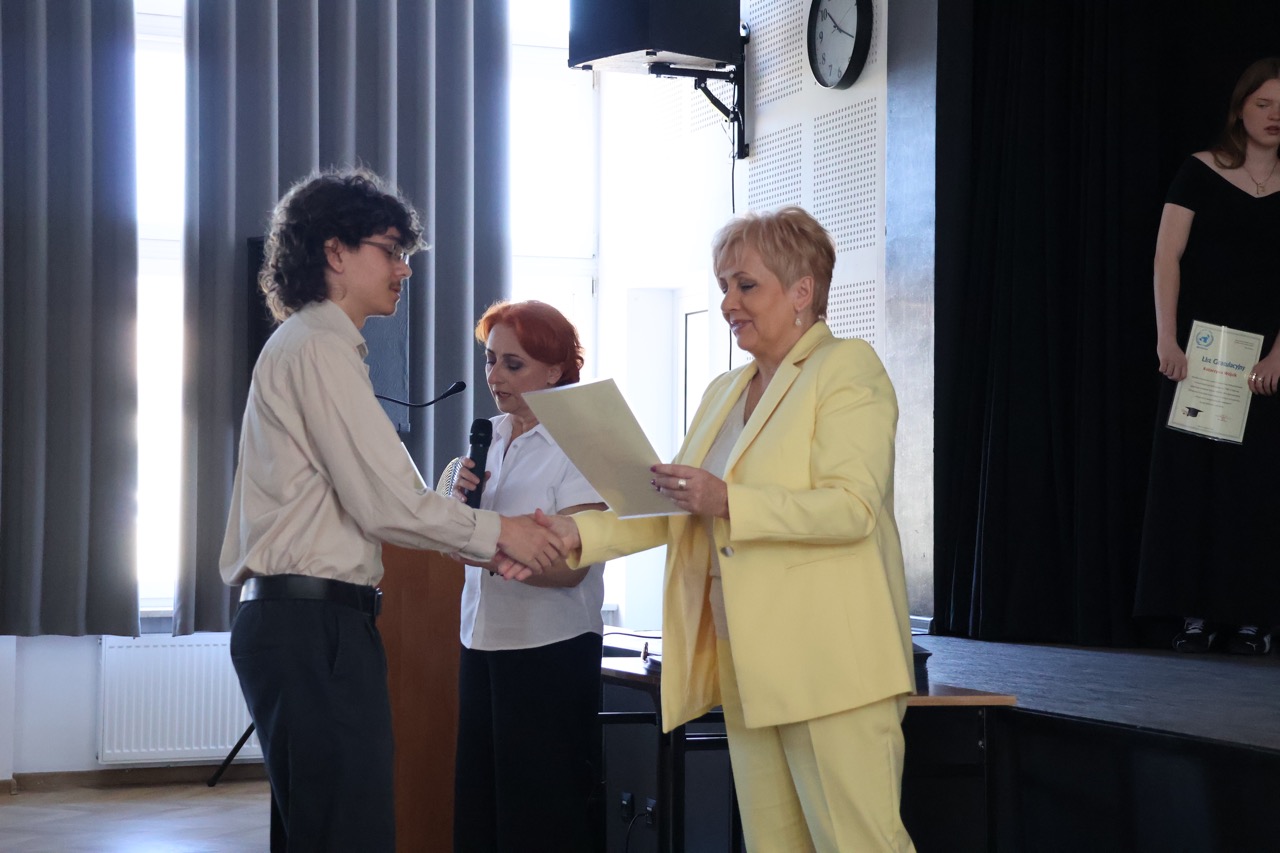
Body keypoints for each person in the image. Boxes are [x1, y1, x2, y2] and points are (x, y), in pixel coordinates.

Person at [536, 207, 917, 852]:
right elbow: (680, 507)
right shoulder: (725, 389)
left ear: (802, 291)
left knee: (860, 844)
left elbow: (852, 508)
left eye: (745, 285)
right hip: (747, 660)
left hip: (831, 663)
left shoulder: (846, 367)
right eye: (723, 287)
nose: (727, 304)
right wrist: (575, 536)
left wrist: (728, 500)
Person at [219, 168, 565, 852]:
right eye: (389, 249)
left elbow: (384, 498)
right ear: (334, 252)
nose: (404, 268)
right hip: (314, 628)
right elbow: (385, 504)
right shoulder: (318, 346)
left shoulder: (316, 345)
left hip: (307, 624)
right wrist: (506, 533)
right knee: (349, 835)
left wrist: (470, 532)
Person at [445, 300, 608, 853]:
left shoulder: (580, 443)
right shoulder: (488, 434)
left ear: (556, 370)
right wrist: (457, 512)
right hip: (481, 641)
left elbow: (569, 567)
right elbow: (462, 532)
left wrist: (484, 548)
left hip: (549, 651)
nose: (494, 376)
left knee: (540, 818)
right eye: (490, 360)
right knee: (481, 808)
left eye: (513, 364)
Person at [1135, 58, 1280, 656]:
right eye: (1264, 103)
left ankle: (1253, 619)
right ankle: (1195, 615)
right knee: (1193, 480)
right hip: (1199, 354)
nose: (1274, 116)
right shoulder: (1199, 170)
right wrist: (1166, 340)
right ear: (1241, 108)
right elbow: (1166, 257)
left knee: (1256, 485)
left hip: (1264, 360)